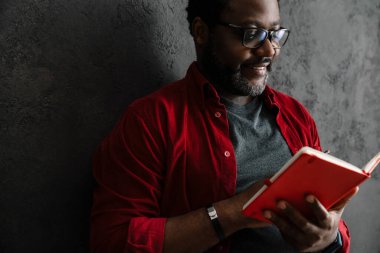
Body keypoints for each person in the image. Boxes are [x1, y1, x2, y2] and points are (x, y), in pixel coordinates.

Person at [90, 0, 357, 252]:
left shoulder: (296, 116)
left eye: (274, 34)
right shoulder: (151, 120)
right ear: (201, 31)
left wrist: (329, 238)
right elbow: (112, 241)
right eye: (251, 33)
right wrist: (233, 213)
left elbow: (331, 227)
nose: (269, 51)